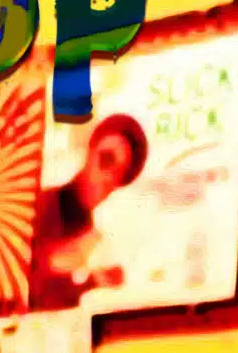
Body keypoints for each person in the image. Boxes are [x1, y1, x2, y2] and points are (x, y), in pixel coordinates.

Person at [29, 113, 149, 310]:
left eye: (119, 174)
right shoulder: (43, 206)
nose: (108, 177)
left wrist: (95, 281)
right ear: (90, 152)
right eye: (106, 159)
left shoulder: (88, 232)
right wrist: (48, 261)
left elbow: (59, 303)